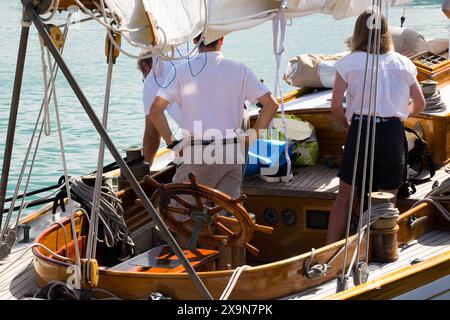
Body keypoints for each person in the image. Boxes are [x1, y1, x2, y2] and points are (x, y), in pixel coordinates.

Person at [325, 11, 426, 244]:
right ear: (387, 31)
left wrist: (347, 125)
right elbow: (419, 104)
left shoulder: (347, 63)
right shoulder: (404, 64)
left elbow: (336, 106)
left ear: (358, 32)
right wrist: (401, 117)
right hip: (391, 131)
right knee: (387, 199)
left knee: (344, 197)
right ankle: (379, 248)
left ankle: (328, 249)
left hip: (360, 130)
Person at [149, 35, 279, 198]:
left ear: (195, 41)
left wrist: (173, 144)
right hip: (231, 152)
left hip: (197, 153)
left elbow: (155, 111)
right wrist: (251, 137)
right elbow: (271, 105)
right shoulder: (240, 69)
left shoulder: (180, 72)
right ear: (221, 39)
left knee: (181, 217)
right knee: (228, 214)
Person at [138, 51, 183, 166]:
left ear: (145, 66)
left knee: (176, 180)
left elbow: (152, 136)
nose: (145, 80)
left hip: (204, 147)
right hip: (230, 138)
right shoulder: (187, 57)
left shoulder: (153, 76)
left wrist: (143, 173)